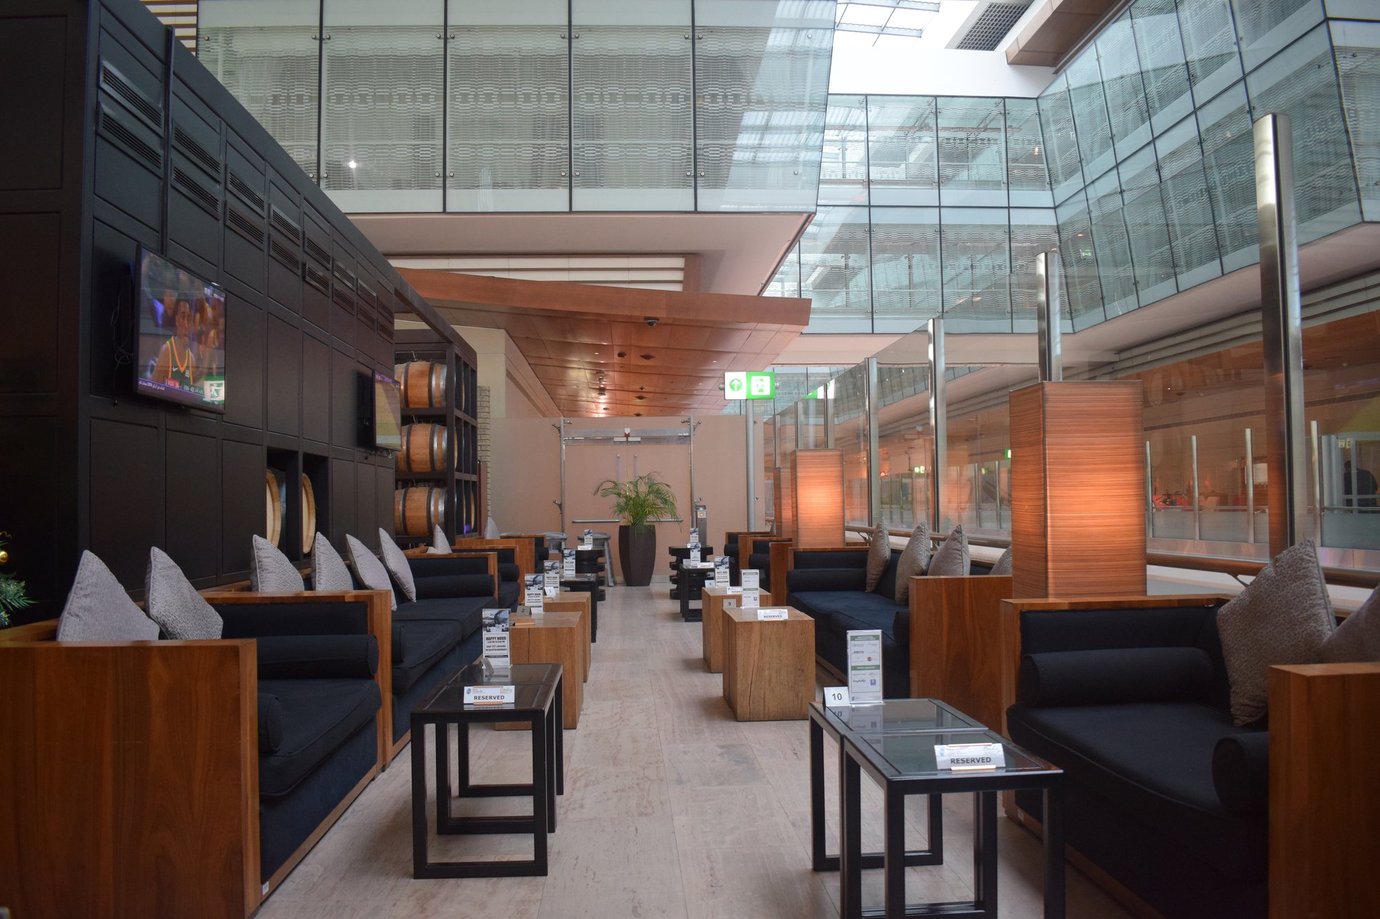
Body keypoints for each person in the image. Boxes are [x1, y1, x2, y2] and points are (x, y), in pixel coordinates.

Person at [151, 298, 198, 391]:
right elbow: (153, 391)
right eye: (183, 317)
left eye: (189, 318)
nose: (186, 324)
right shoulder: (166, 351)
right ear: (176, 320)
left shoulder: (192, 360)